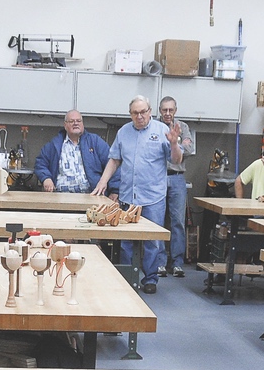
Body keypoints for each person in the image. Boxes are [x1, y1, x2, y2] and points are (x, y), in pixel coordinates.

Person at [92, 95, 182, 295]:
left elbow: (176, 160)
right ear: (130, 114)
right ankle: (127, 278)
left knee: (152, 242)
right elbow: (114, 160)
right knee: (126, 241)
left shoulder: (162, 131)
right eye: (135, 113)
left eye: (143, 112)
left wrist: (175, 144)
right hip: (127, 196)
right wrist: (103, 181)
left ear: (150, 112)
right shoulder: (124, 132)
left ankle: (150, 279)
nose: (140, 116)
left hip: (153, 197)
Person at [34, 109, 116, 195]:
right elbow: (40, 163)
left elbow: (112, 164)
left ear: (82, 124)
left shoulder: (95, 142)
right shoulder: (55, 144)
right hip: (60, 196)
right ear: (65, 125)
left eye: (78, 121)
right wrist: (46, 178)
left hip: (92, 195)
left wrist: (115, 191)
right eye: (71, 121)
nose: (76, 123)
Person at [157, 96, 194, 277]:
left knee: (178, 221)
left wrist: (174, 144)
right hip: (158, 178)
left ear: (176, 110)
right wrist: (178, 144)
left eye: (171, 110)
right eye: (164, 110)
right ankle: (160, 262)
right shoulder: (154, 127)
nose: (168, 113)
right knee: (158, 221)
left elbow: (190, 149)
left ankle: (177, 263)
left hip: (177, 178)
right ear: (159, 110)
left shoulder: (183, 127)